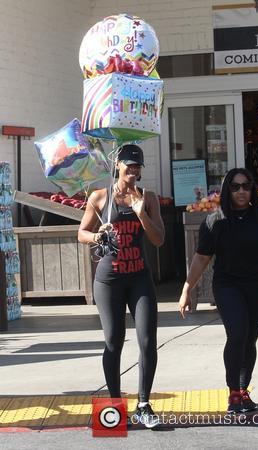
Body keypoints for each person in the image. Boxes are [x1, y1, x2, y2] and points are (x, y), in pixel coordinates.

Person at [178, 168, 258, 414]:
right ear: (227, 190)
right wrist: (187, 289)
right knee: (237, 334)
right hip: (228, 285)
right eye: (235, 187)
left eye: (246, 186)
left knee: (250, 340)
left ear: (252, 189)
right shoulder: (216, 220)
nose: (241, 191)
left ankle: (244, 389)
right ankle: (233, 392)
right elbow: (201, 258)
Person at [78, 144, 165, 428]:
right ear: (118, 165)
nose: (134, 170)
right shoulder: (100, 197)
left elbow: (159, 239)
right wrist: (96, 236)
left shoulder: (148, 198)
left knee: (147, 340)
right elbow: (81, 232)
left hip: (139, 276)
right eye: (129, 165)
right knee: (113, 341)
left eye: (138, 166)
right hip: (109, 279)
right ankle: (115, 406)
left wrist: (142, 214)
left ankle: (143, 404)